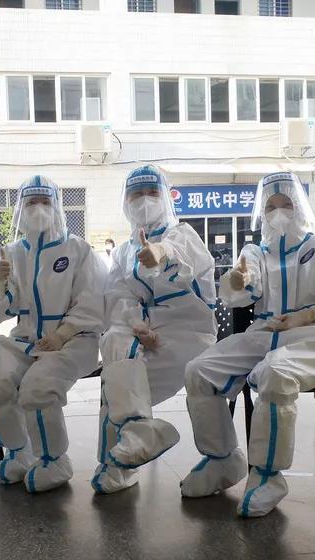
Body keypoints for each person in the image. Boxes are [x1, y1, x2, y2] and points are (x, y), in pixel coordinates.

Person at [180, 172, 315, 517]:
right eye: (271, 206)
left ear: (301, 207)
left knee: (275, 372)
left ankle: (268, 476)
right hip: (268, 332)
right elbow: (244, 287)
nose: (279, 212)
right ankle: (221, 459)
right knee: (199, 370)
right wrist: (239, 279)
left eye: (287, 204)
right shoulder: (256, 251)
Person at [92, 165, 217, 494]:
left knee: (118, 381)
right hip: (144, 336)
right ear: (125, 201)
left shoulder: (183, 234)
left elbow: (182, 256)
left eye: (152, 192)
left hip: (187, 335)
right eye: (137, 194)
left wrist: (160, 252)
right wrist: (138, 325)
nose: (144, 200)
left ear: (165, 198)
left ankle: (123, 454)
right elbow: (118, 297)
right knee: (114, 348)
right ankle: (130, 445)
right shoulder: (123, 251)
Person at [0, 176, 106, 493]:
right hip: (25, 339)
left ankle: (55, 460)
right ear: (20, 209)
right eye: (31, 203)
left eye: (45, 202)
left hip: (74, 340)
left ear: (57, 207)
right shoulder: (12, 252)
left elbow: (92, 302)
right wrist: (0, 283)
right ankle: (19, 451)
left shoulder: (77, 250)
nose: (38, 209)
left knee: (37, 388)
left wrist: (62, 334)